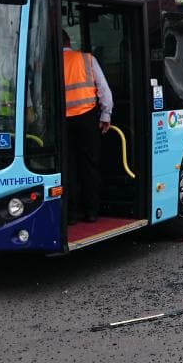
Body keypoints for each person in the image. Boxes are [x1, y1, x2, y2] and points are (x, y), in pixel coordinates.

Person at [62, 30, 113, 224]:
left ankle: (71, 214)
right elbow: (104, 89)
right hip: (87, 117)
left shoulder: (49, 61)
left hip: (62, 121)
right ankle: (91, 211)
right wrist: (106, 114)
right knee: (90, 166)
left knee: (68, 167)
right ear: (69, 41)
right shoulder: (86, 59)